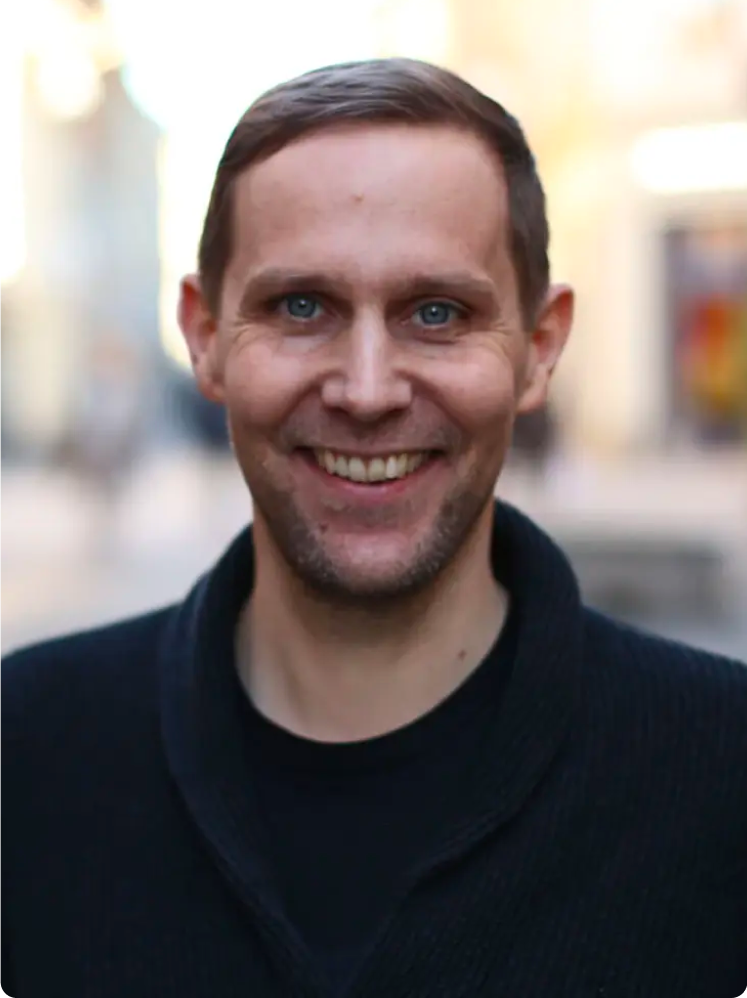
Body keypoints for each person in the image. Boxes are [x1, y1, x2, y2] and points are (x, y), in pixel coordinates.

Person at [1, 59, 747, 998]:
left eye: (436, 313)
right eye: (300, 307)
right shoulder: (27, 755)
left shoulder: (721, 777)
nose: (365, 390)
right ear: (204, 336)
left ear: (538, 349)